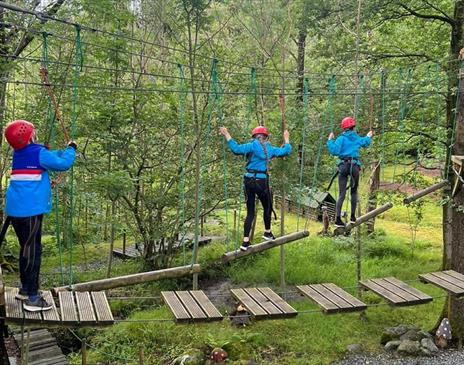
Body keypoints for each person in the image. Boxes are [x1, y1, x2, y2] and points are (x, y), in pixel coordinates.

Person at [3, 120, 76, 312]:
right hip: (30, 211)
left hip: (16, 210)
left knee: (26, 249)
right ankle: (32, 299)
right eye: (32, 132)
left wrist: (60, 151)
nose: (35, 134)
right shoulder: (38, 153)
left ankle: (26, 289)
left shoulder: (19, 153)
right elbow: (63, 164)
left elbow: (46, 160)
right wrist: (71, 149)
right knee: (33, 251)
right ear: (28, 137)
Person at [219, 125, 292, 251]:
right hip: (261, 181)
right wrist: (286, 139)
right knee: (267, 206)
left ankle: (245, 241)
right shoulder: (270, 149)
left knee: (250, 212)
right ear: (266, 137)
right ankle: (267, 232)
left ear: (254, 136)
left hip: (248, 180)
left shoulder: (251, 146)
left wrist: (226, 134)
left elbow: (236, 149)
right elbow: (286, 151)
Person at [327, 117, 373, 228]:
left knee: (341, 193)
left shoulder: (341, 139)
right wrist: (368, 136)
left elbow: (334, 151)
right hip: (354, 166)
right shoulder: (356, 138)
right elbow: (365, 143)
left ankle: (338, 219)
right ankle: (352, 217)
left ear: (343, 127)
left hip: (343, 166)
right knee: (353, 192)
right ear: (353, 127)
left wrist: (330, 140)